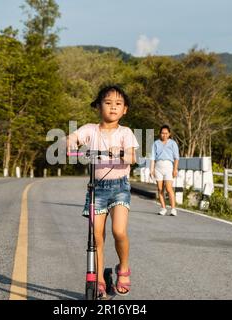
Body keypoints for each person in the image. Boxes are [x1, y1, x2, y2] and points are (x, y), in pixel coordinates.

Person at [66, 85, 139, 299]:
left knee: (119, 231)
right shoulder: (90, 130)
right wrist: (70, 143)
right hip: (96, 189)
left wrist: (122, 153)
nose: (113, 107)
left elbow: (133, 158)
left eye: (118, 104)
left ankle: (123, 268)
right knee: (96, 237)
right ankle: (98, 278)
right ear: (99, 107)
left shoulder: (125, 133)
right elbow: (72, 138)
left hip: (119, 188)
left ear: (125, 109)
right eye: (108, 103)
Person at [150, 125, 180, 216]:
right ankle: (163, 208)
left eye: (166, 133)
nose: (164, 135)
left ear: (169, 134)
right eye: (162, 133)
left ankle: (173, 209)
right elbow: (152, 158)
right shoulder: (156, 143)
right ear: (160, 134)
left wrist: (175, 169)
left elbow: (176, 158)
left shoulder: (173, 143)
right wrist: (151, 170)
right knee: (159, 189)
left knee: (169, 188)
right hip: (158, 166)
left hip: (168, 166)